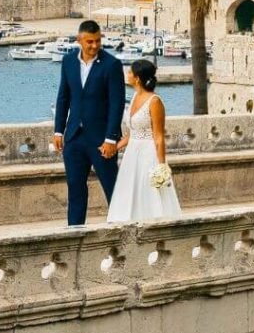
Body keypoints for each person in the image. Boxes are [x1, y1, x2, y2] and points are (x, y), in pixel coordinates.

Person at [53, 19, 126, 225]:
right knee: (75, 188)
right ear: (79, 40)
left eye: (97, 41)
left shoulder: (112, 65)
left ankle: (120, 229)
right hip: (74, 137)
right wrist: (59, 131)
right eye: (90, 42)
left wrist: (111, 138)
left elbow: (116, 103)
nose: (94, 46)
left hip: (102, 140)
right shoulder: (68, 61)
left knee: (112, 188)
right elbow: (63, 97)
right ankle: (74, 232)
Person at [107, 59, 182, 223]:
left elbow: (159, 136)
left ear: (137, 78)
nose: (127, 75)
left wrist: (161, 166)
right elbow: (133, 132)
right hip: (132, 154)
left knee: (148, 194)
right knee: (129, 193)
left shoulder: (155, 102)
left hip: (148, 154)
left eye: (130, 72)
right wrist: (115, 146)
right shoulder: (134, 97)